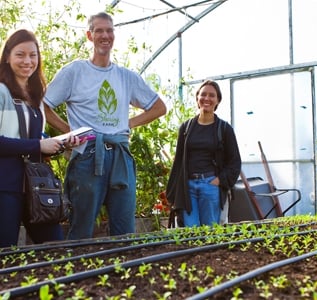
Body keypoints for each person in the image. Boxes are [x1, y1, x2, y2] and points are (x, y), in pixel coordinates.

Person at [44, 12, 167, 240]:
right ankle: (78, 273)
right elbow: (44, 105)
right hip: (88, 155)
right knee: (82, 226)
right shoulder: (75, 72)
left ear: (114, 35)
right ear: (89, 36)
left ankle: (125, 273)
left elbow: (159, 107)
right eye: (99, 30)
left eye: (109, 30)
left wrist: (128, 123)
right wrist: (68, 132)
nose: (105, 35)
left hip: (120, 155)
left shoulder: (125, 76)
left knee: (124, 227)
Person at [0, 29, 70, 247]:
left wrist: (60, 144)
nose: (27, 61)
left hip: (36, 188)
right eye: (20, 54)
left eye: (33, 55)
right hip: (6, 187)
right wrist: (39, 144)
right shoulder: (2, 92)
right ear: (8, 57)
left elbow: (35, 139)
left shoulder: (36, 95)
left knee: (55, 249)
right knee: (6, 256)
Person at [166, 80, 241, 227]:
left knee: (210, 233)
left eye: (212, 95)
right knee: (190, 231)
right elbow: (178, 162)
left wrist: (219, 180)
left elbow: (234, 161)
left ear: (218, 100)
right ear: (197, 98)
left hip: (211, 185)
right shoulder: (186, 128)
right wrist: (173, 192)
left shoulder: (224, 129)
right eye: (203, 94)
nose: (207, 98)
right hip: (188, 188)